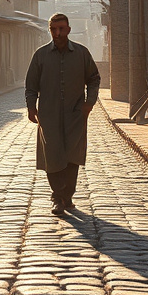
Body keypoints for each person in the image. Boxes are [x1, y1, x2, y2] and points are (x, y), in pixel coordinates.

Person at [25, 12, 101, 216]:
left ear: (68, 29)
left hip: (75, 114)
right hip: (48, 115)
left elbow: (94, 78)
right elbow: (31, 85)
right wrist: (31, 107)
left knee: (72, 155)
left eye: (61, 29)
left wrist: (89, 103)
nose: (57, 33)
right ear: (50, 31)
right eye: (53, 29)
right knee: (53, 154)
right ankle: (57, 197)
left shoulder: (81, 53)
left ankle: (68, 196)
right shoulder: (40, 55)